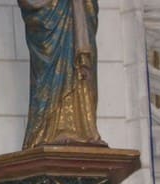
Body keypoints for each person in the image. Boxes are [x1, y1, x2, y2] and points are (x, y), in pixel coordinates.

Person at [17, 0, 103, 149]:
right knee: (51, 69)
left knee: (79, 73)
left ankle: (83, 129)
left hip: (78, 12)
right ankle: (50, 131)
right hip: (51, 18)